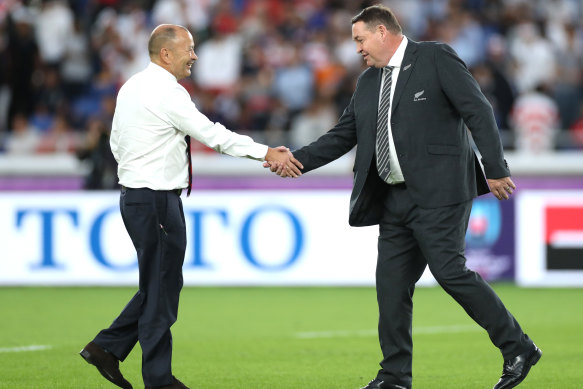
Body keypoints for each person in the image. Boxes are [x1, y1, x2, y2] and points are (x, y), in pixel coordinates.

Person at [267, 5, 540, 389]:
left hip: (442, 190)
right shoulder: (367, 83)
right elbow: (342, 135)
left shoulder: (434, 56)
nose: (357, 49)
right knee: (391, 286)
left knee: (449, 271)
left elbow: (477, 109)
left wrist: (495, 167)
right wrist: (296, 160)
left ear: (382, 32)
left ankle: (519, 347)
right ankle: (394, 375)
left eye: (360, 39)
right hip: (394, 199)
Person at [79, 24, 302, 389]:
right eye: (189, 49)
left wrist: (138, 170)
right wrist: (265, 151)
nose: (194, 56)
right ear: (166, 54)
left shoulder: (131, 87)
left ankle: (108, 348)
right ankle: (157, 378)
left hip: (136, 197)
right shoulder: (168, 93)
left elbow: (116, 144)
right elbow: (213, 135)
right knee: (161, 290)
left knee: (160, 285)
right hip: (156, 200)